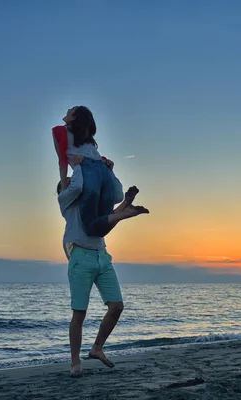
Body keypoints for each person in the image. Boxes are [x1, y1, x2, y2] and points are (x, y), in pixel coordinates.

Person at [57, 154, 148, 377]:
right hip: (81, 256)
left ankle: (97, 347)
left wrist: (126, 203)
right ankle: (75, 363)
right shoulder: (66, 201)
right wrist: (81, 164)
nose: (72, 182)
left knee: (117, 307)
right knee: (79, 314)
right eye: (66, 182)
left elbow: (109, 217)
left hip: (102, 256)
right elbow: (78, 184)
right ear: (61, 191)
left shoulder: (91, 204)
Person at [53, 105, 135, 237]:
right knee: (102, 215)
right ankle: (123, 212)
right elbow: (65, 161)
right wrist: (64, 188)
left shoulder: (66, 134)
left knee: (96, 221)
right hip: (95, 167)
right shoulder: (69, 134)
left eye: (71, 110)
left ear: (74, 117)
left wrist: (65, 186)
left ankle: (123, 211)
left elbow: (62, 161)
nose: (68, 110)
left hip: (92, 167)